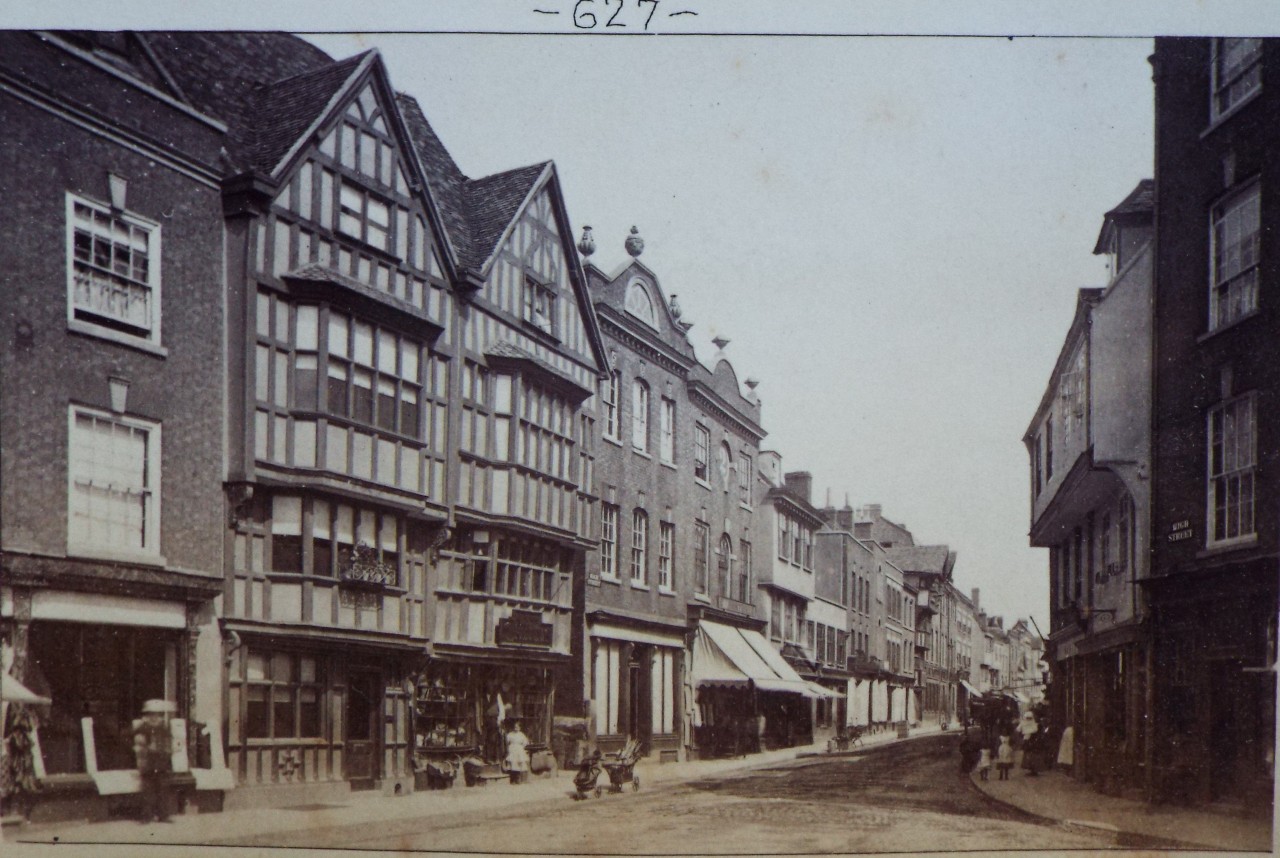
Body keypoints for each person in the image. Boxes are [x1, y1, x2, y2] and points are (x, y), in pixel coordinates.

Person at [133, 700, 174, 823]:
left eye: (157, 715)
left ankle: (163, 815)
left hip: (162, 763)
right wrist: (142, 743)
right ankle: (146, 816)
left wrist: (170, 748)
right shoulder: (142, 728)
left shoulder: (164, 728)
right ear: (146, 716)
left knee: (163, 790)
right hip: (148, 763)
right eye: (151, 715)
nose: (154, 718)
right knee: (148, 791)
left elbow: (169, 741)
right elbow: (136, 740)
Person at [504, 719, 530, 784]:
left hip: (519, 749)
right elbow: (507, 741)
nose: (516, 729)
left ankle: (518, 778)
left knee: (519, 763)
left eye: (517, 727)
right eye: (515, 727)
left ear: (520, 728)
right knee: (513, 763)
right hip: (512, 749)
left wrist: (521, 747)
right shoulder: (510, 734)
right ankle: (513, 779)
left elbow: (525, 742)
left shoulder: (521, 734)